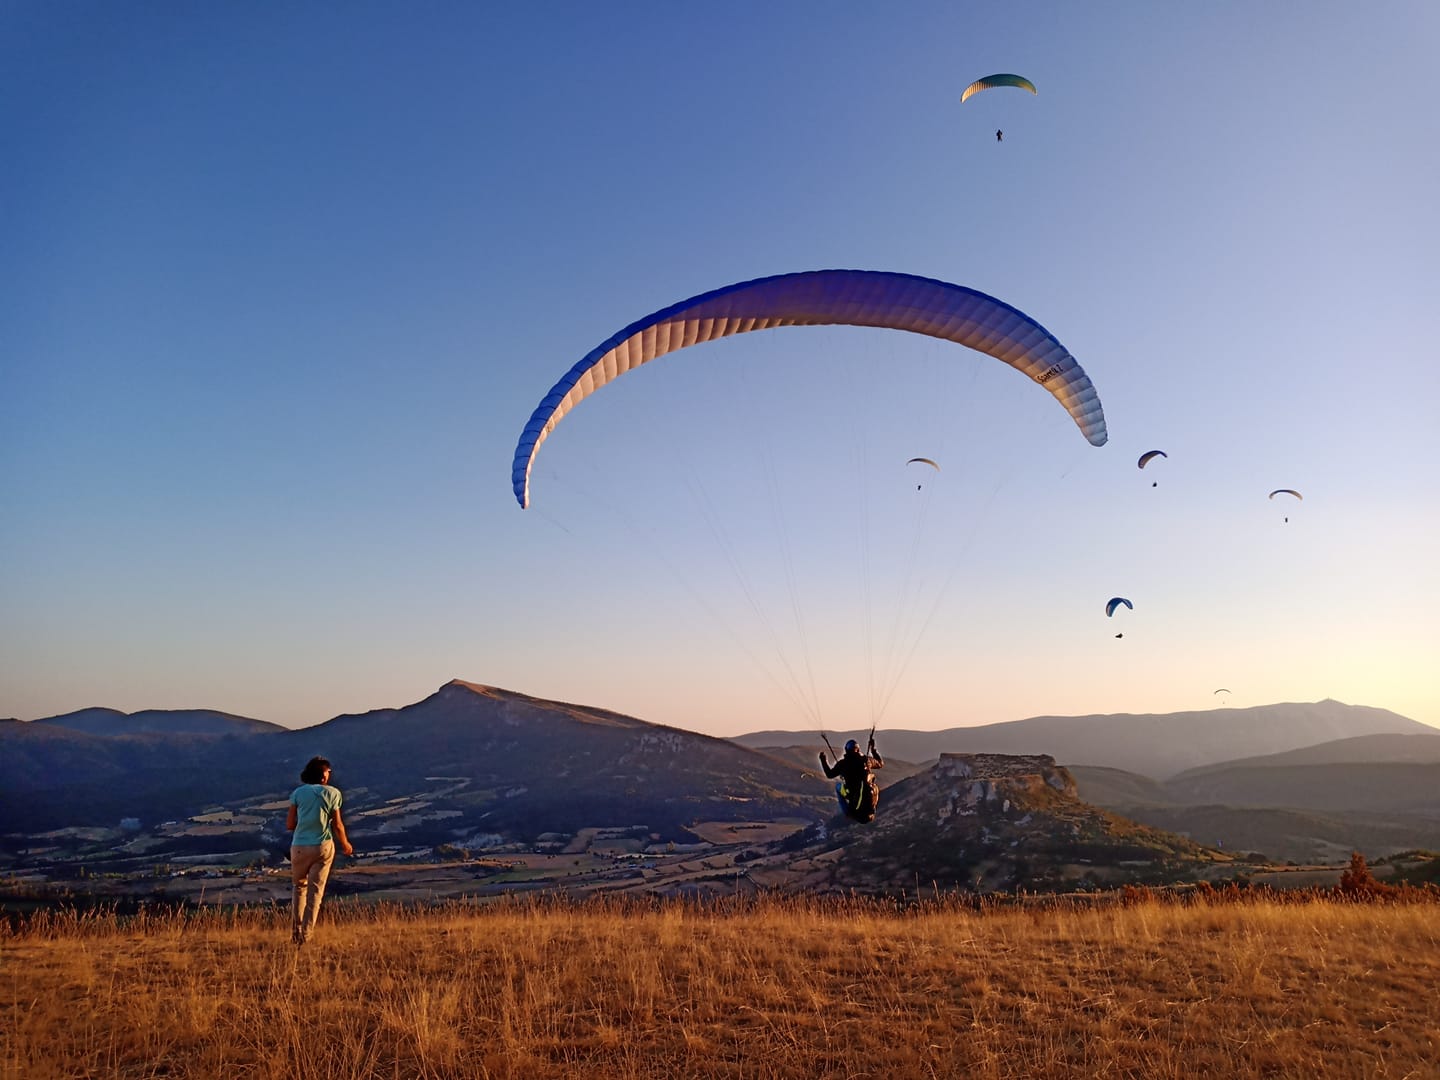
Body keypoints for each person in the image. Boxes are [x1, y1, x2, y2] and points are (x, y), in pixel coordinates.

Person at [286, 755, 353, 945]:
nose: (329, 774)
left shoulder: (298, 793)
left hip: (299, 846)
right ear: (323, 775)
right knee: (315, 891)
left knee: (299, 887)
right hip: (323, 846)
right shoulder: (333, 793)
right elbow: (338, 825)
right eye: (328, 771)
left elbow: (290, 824)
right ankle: (306, 935)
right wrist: (346, 844)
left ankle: (295, 932)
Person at [819, 737, 884, 823]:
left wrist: (823, 761)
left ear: (846, 750)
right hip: (868, 806)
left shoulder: (843, 763)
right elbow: (880, 763)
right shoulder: (867, 760)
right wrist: (873, 749)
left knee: (838, 787)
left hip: (853, 796)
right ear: (858, 749)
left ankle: (847, 812)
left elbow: (829, 774)